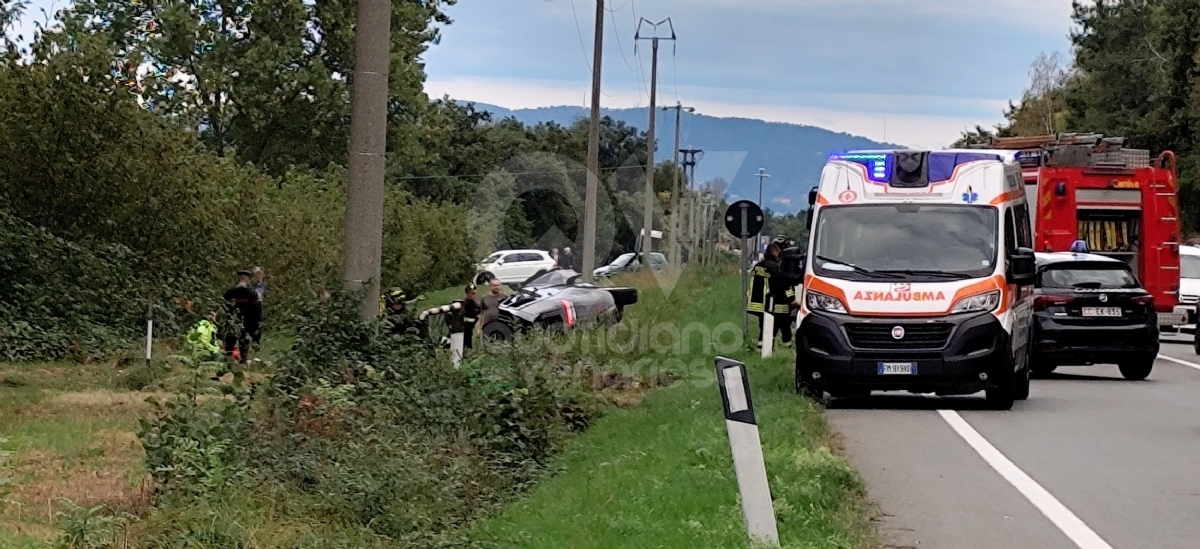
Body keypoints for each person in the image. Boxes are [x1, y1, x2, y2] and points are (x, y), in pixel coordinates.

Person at [222, 270, 262, 362]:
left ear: (238, 279)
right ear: (247, 280)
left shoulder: (229, 293)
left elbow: (224, 308)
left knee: (229, 342)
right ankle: (243, 361)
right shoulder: (253, 295)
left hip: (232, 322)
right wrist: (256, 325)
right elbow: (258, 311)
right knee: (244, 342)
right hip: (247, 323)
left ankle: (226, 360)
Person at [461, 284, 481, 349]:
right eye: (472, 293)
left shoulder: (476, 305)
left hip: (470, 329)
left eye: (475, 293)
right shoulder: (462, 304)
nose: (474, 296)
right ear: (467, 293)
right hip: (462, 329)